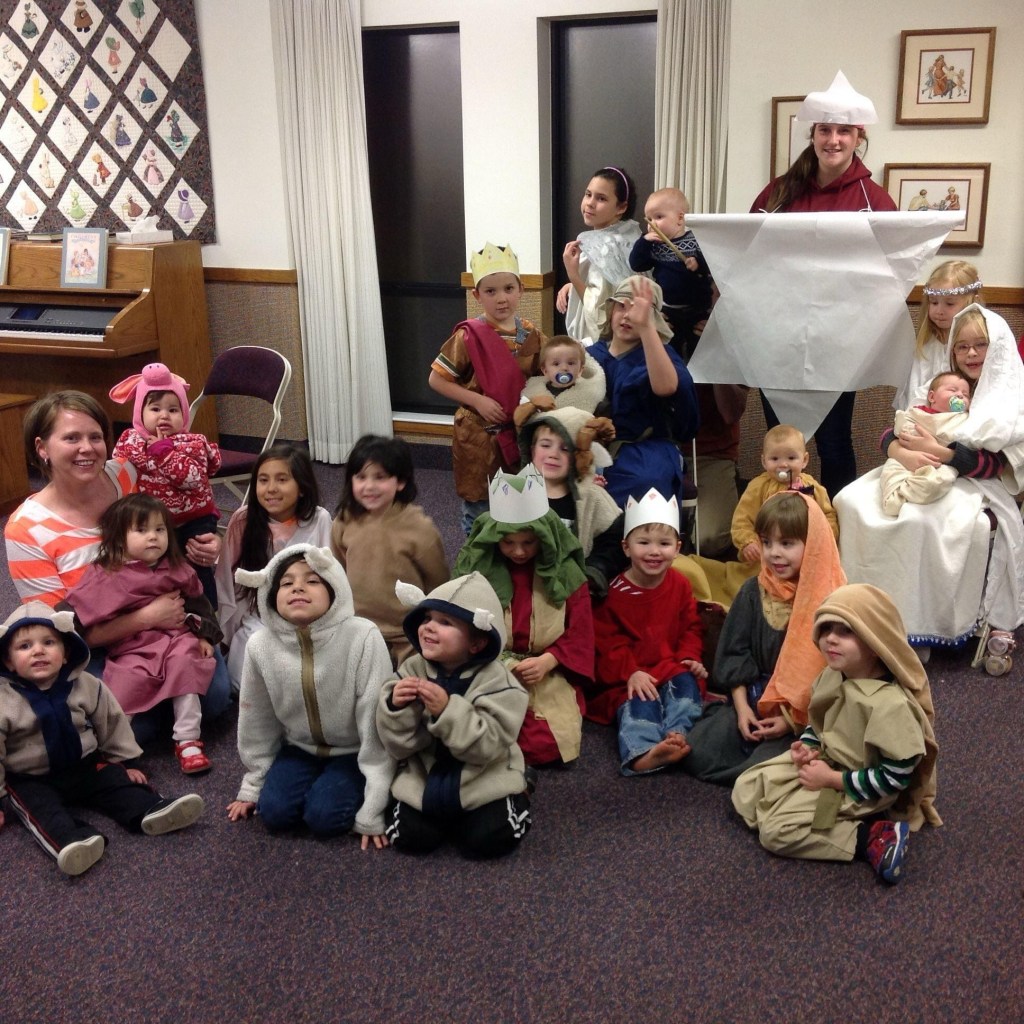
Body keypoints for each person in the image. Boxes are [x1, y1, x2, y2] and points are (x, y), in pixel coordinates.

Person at [3, 392, 230, 724]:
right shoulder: (26, 529)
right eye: (71, 438)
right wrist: (146, 618)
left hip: (171, 625)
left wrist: (209, 539)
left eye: (95, 437)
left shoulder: (129, 474)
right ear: (42, 448)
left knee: (216, 698)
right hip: (100, 642)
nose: (87, 448)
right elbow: (60, 630)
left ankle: (159, 700)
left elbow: (182, 516)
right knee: (128, 724)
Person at [835, 304, 1024, 654]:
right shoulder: (943, 385)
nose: (970, 353)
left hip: (969, 480)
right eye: (962, 346)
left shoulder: (1011, 400)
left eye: (980, 345)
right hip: (912, 463)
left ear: (996, 347)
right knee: (851, 500)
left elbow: (996, 465)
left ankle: (920, 621)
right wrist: (901, 451)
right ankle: (862, 609)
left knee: (919, 521)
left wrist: (942, 453)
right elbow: (896, 429)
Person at [732, 584, 940, 886]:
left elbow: (896, 776)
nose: (831, 638)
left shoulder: (891, 705)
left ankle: (872, 835)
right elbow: (818, 725)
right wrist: (807, 747)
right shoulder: (832, 676)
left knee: (775, 833)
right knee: (746, 788)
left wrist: (832, 780)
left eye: (846, 631)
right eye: (826, 629)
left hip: (855, 784)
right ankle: (804, 814)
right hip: (826, 764)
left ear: (875, 640)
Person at [750, 71, 897, 499]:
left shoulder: (874, 201)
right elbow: (747, 258)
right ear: (813, 134)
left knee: (833, 443)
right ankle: (781, 525)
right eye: (825, 130)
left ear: (858, 137)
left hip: (838, 344)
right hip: (779, 340)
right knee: (781, 443)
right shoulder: (779, 193)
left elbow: (891, 273)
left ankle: (836, 529)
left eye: (843, 131)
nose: (834, 140)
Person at [0, 601, 205, 877]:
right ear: (8, 661)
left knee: (115, 782)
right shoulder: (4, 701)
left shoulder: (86, 685)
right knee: (41, 810)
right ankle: (71, 841)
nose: (38, 651)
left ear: (65, 653)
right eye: (25, 647)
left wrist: (126, 762)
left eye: (48, 642)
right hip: (31, 778)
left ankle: (150, 809)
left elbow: (111, 723)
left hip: (84, 765)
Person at [226, 545, 393, 846]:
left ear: (335, 589)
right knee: (274, 815)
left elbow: (375, 723)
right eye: (286, 583)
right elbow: (256, 717)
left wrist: (374, 804)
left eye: (312, 581)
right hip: (298, 747)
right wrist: (253, 784)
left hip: (353, 752)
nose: (298, 587)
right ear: (270, 596)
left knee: (325, 819)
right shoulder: (260, 645)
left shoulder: (363, 636)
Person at [682, 492, 846, 785]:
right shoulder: (752, 591)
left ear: (813, 544)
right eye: (766, 542)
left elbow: (834, 678)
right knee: (700, 751)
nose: (774, 553)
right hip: (753, 696)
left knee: (768, 768)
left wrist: (789, 721)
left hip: (805, 713)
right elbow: (734, 653)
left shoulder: (831, 598)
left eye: (787, 543)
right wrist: (742, 709)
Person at [377, 573, 531, 858]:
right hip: (424, 777)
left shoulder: (500, 682)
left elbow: (486, 748)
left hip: (482, 776)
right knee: (410, 838)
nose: (429, 627)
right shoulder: (412, 668)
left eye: (445, 623)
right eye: (427, 618)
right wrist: (397, 707)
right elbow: (397, 746)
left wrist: (448, 711)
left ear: (476, 643)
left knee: (488, 840)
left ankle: (520, 789)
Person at [64, 495, 220, 773]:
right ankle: (116, 751)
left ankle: (187, 740)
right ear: (119, 538)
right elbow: (74, 611)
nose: (153, 537)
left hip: (176, 639)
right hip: (132, 648)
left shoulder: (176, 567)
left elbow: (199, 604)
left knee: (188, 667)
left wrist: (204, 636)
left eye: (160, 529)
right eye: (141, 530)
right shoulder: (106, 573)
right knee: (124, 686)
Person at [453, 465, 594, 767]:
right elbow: (459, 624)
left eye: (528, 542)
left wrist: (549, 660)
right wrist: (501, 661)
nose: (518, 552)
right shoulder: (478, 570)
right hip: (488, 664)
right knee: (469, 728)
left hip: (545, 669)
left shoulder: (566, 573)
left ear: (544, 538)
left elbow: (581, 631)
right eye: (508, 543)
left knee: (547, 744)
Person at [588, 489, 706, 775]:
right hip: (630, 675)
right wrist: (631, 671)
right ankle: (642, 753)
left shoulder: (680, 584)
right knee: (640, 703)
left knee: (687, 689)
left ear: (677, 548)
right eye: (643, 542)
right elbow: (606, 644)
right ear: (626, 547)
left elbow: (690, 626)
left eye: (664, 543)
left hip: (669, 665)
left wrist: (690, 656)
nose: (654, 551)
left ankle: (676, 734)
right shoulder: (613, 593)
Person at [428, 242, 543, 534]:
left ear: (521, 289)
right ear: (477, 295)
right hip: (478, 436)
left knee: (520, 504)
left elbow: (543, 378)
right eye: (491, 291)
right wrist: (477, 401)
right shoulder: (469, 336)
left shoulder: (532, 335)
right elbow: (436, 379)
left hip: (517, 433)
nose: (501, 298)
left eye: (508, 288)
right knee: (479, 508)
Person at [216, 444, 332, 691]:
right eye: (263, 480)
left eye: (282, 479)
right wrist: (226, 636)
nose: (271, 489)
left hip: (306, 615)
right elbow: (227, 581)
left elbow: (331, 578)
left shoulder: (319, 519)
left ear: (302, 487)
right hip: (259, 616)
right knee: (247, 678)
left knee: (313, 677)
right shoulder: (243, 520)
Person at [331, 434, 449, 666]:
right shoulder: (344, 520)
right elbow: (337, 571)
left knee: (415, 682)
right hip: (358, 628)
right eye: (361, 477)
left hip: (408, 632)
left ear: (400, 482)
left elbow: (439, 583)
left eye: (380, 477)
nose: (369, 486)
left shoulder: (420, 527)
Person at [109, 362, 222, 605]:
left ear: (184, 414)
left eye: (173, 410)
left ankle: (208, 612)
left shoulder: (192, 443)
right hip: (155, 519)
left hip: (194, 517)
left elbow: (192, 479)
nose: (164, 416)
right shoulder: (131, 440)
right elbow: (117, 466)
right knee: (155, 566)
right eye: (155, 408)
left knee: (195, 566)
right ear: (139, 412)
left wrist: (165, 452)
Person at [588, 275, 700, 508]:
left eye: (638, 310)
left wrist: (646, 327)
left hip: (646, 450)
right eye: (622, 306)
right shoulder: (589, 356)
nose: (628, 315)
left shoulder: (663, 356)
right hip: (591, 448)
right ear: (610, 311)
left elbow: (667, 387)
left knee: (645, 484)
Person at [516, 405, 624, 598]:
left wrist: (593, 572)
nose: (553, 454)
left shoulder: (593, 497)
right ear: (532, 450)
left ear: (581, 455)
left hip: (575, 589)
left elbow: (613, 543)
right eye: (545, 445)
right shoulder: (515, 492)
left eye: (565, 448)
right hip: (521, 588)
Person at [555, 166, 642, 346]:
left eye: (601, 198)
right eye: (588, 194)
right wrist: (572, 286)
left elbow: (599, 313)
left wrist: (573, 275)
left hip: (603, 346)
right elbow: (607, 287)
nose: (590, 203)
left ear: (621, 207)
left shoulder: (606, 248)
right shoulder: (625, 239)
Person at [732, 424, 839, 565]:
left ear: (804, 460)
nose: (783, 464)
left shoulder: (812, 486)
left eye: (791, 458)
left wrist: (822, 537)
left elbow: (828, 515)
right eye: (775, 459)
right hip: (768, 555)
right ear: (764, 461)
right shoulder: (757, 487)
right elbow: (741, 520)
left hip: (806, 554)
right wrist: (748, 542)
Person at [628, 186, 713, 361]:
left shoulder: (695, 240)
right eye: (649, 219)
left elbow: (711, 267)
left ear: (680, 219)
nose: (652, 224)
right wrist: (644, 242)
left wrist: (698, 264)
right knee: (670, 348)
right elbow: (637, 264)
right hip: (668, 309)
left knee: (697, 349)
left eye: (659, 217)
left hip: (697, 309)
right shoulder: (653, 245)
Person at [893, 260, 983, 412]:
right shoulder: (926, 347)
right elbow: (913, 390)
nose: (939, 311)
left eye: (949, 304)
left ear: (971, 302)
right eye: (934, 303)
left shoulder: (979, 347)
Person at [880, 371, 971, 515]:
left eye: (966, 395)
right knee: (891, 468)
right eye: (953, 390)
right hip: (907, 456)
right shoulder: (918, 413)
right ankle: (894, 497)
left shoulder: (965, 419)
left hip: (939, 464)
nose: (960, 395)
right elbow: (896, 431)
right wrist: (905, 431)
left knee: (938, 482)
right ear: (932, 397)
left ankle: (911, 492)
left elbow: (968, 441)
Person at [514, 335, 606, 427]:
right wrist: (532, 405)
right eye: (556, 364)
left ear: (580, 370)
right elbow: (519, 422)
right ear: (545, 370)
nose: (564, 368)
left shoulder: (589, 397)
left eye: (571, 363)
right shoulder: (533, 392)